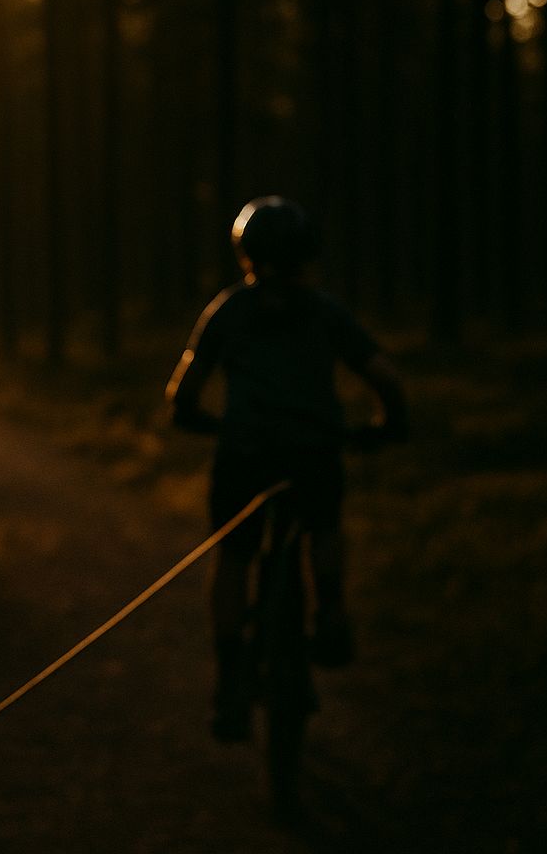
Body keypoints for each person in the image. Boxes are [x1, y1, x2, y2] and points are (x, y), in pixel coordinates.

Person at [165, 196, 405, 741]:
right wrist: (391, 423)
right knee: (323, 524)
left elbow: (183, 391)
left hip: (244, 454)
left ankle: (230, 683)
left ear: (243, 252)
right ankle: (332, 614)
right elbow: (384, 375)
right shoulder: (325, 310)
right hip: (314, 450)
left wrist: (197, 421)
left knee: (233, 556)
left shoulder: (228, 309)